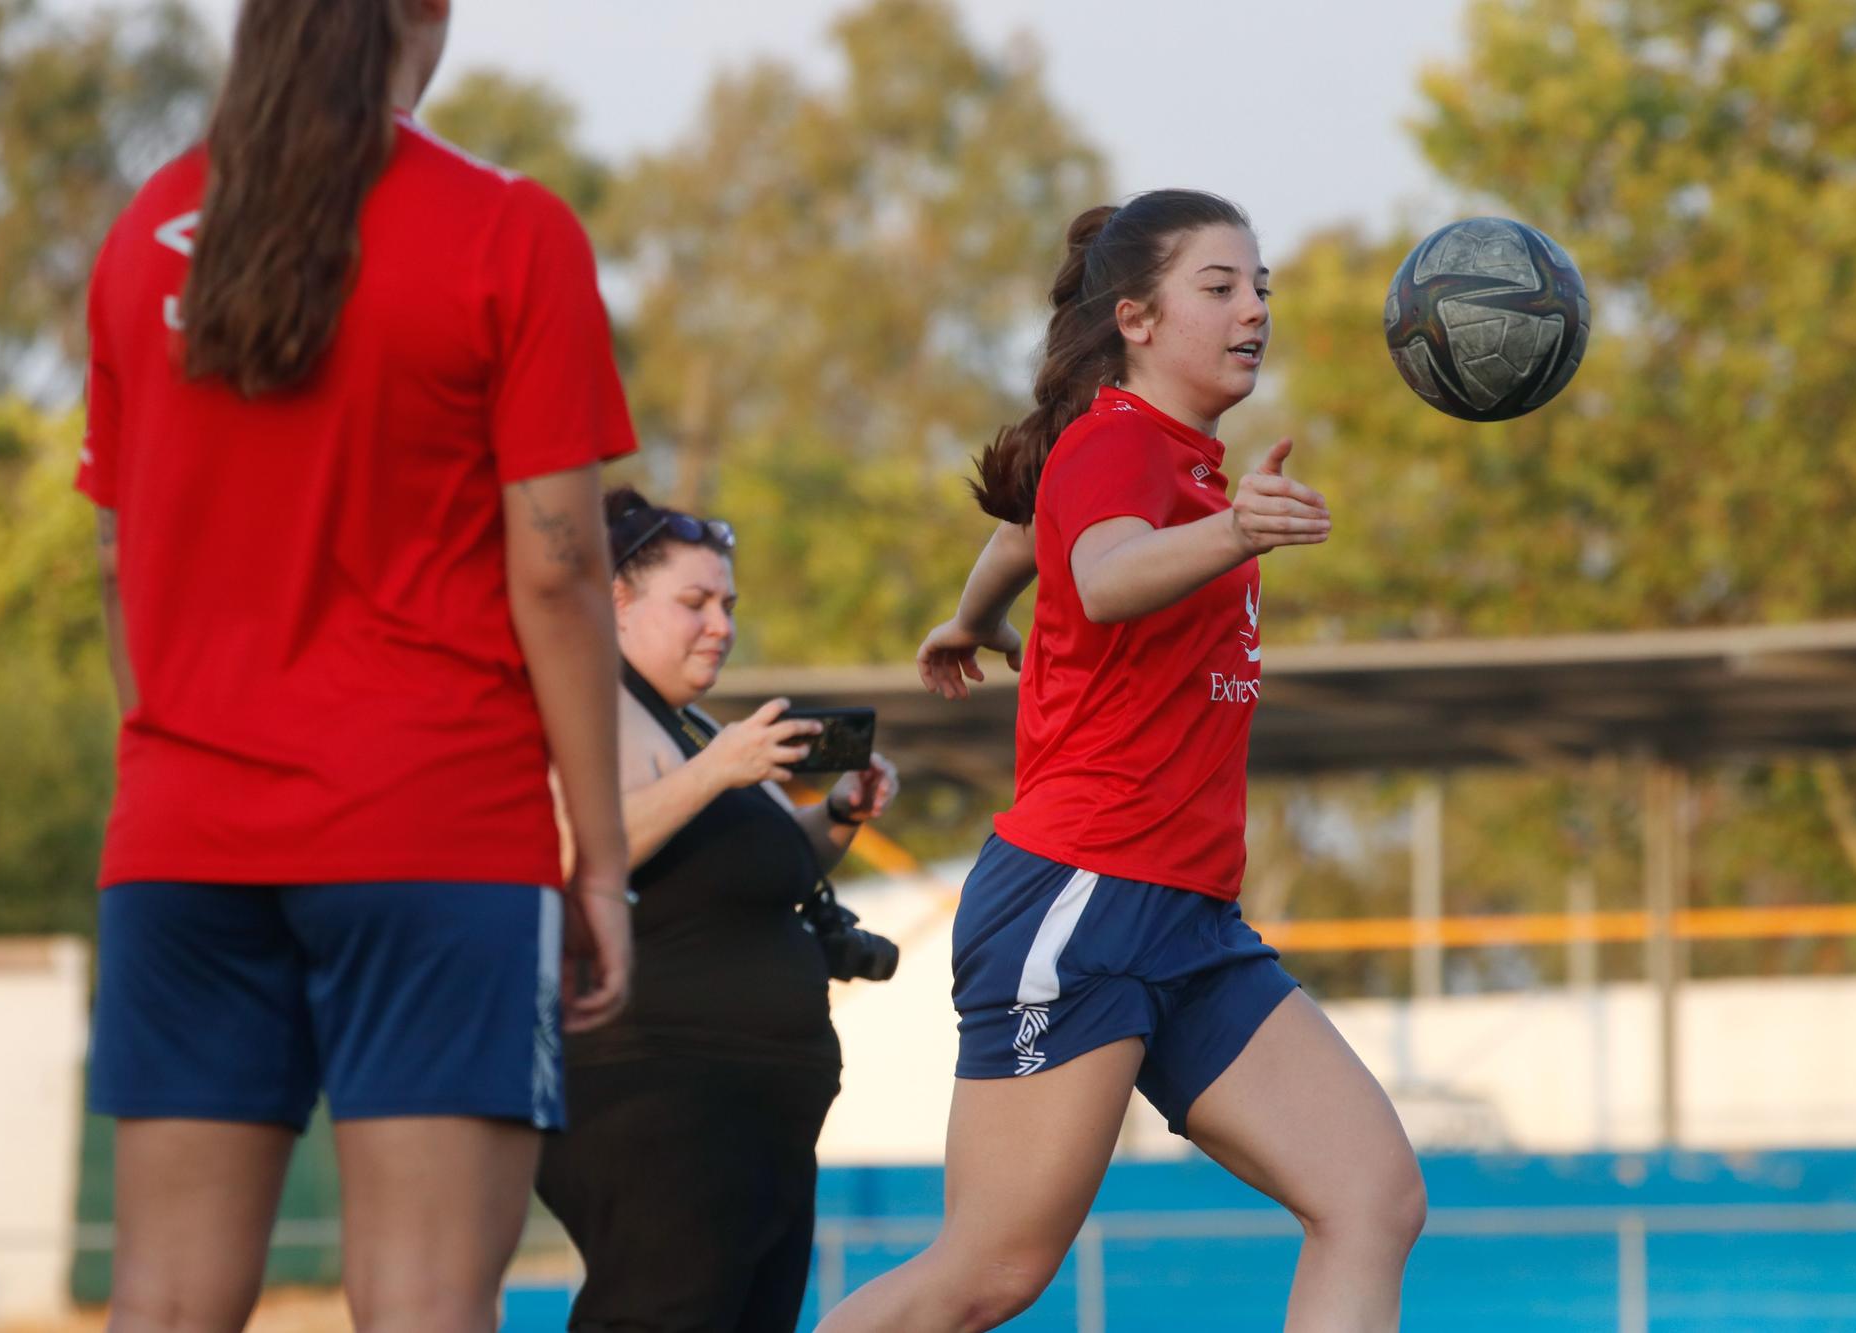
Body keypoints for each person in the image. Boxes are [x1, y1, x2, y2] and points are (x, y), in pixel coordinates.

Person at [76, 1, 637, 1329]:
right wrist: (601, 856)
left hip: (182, 837)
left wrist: (195, 751)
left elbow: (114, 562)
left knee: (160, 1302)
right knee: (424, 1301)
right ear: (424, 14)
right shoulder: (507, 230)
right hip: (434, 828)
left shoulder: (143, 232)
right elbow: (558, 567)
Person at [816, 191, 1426, 1333]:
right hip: (1081, 896)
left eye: (1262, 290)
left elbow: (1025, 531)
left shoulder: (1170, 463)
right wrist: (1237, 532)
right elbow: (1099, 571)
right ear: (1136, 318)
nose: (1254, 309)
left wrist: (969, 616)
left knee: (1370, 1195)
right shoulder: (1116, 443)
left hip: (1188, 919)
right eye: (1221, 286)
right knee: (987, 1273)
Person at [535, 487, 900, 1333]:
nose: (721, 625)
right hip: (657, 1095)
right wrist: (718, 771)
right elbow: (571, 850)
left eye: (729, 605)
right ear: (616, 603)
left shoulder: (694, 724)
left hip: (757, 1105)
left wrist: (839, 812)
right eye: (694, 603)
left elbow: (754, 876)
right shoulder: (591, 703)